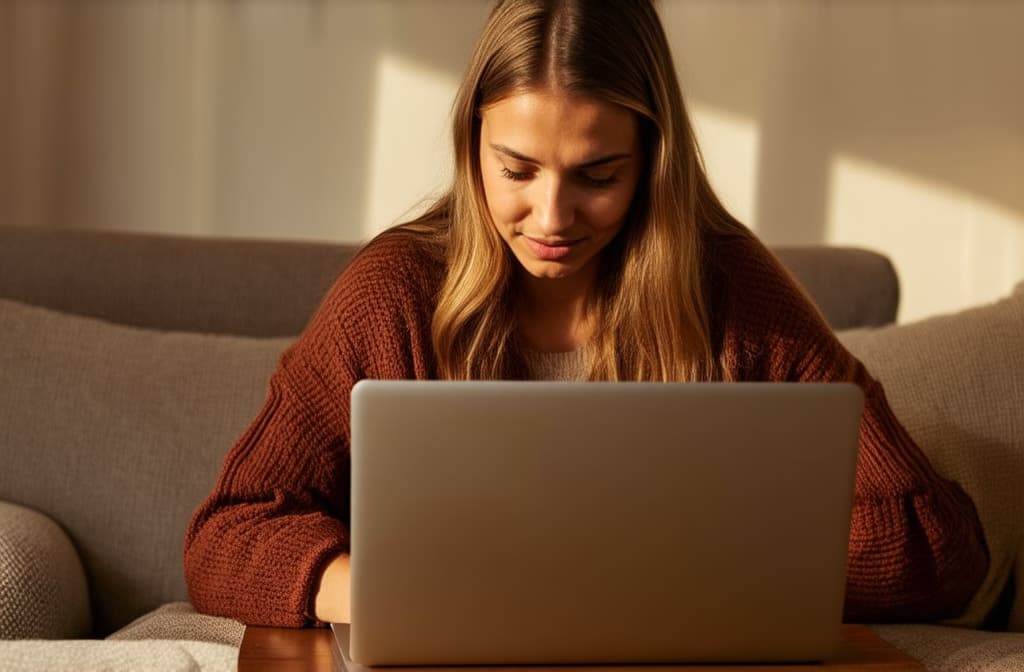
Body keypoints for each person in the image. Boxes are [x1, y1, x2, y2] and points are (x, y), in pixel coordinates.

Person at [184, 0, 987, 628]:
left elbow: (943, 550)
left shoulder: (733, 291)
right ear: (472, 150)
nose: (553, 216)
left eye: (598, 174)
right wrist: (392, 590)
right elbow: (227, 534)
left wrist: (678, 580)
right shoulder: (391, 293)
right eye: (518, 169)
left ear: (652, 162)